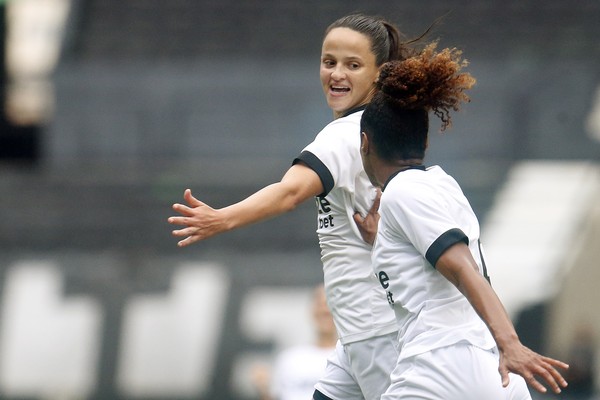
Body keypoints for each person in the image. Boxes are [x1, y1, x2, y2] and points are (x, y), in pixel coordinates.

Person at [168, 13, 424, 400]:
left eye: (353, 65)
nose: (337, 73)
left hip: (375, 330)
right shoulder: (377, 128)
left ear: (380, 73)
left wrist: (222, 219)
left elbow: (290, 193)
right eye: (329, 61)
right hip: (360, 330)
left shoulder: (344, 134)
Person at [358, 42, 570, 399]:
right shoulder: (442, 184)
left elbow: (460, 267)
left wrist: (511, 342)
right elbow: (430, 265)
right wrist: (383, 239)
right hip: (491, 370)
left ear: (365, 143)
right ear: (424, 141)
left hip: (442, 364)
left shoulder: (403, 191)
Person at [251, 284, 337, 400]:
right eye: (320, 304)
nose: (325, 310)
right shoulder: (289, 359)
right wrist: (264, 390)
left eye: (330, 304)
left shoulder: (350, 360)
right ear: (311, 310)